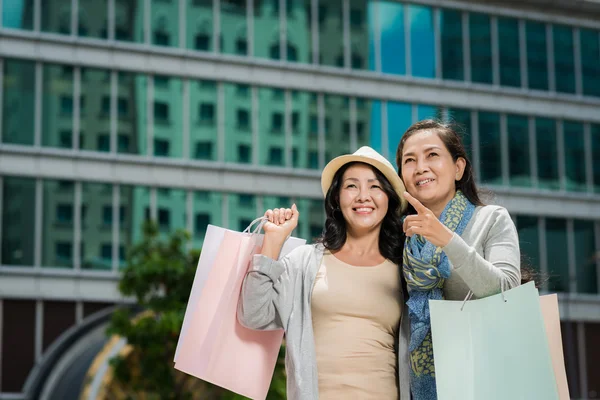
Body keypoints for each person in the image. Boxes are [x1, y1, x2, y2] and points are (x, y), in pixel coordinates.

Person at [237, 146, 413, 400]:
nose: (363, 196)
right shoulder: (304, 262)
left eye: (375, 186)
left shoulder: (406, 268)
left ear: (389, 199)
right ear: (337, 200)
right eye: (351, 186)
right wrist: (273, 242)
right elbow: (253, 315)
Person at [395, 119, 522, 399]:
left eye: (432, 155)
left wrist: (448, 240)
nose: (420, 168)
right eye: (409, 160)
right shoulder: (399, 238)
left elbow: (507, 291)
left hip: (485, 379)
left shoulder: (491, 219)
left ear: (458, 168)